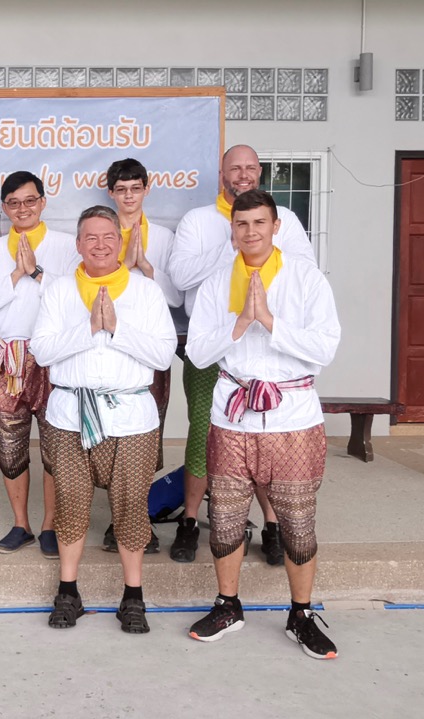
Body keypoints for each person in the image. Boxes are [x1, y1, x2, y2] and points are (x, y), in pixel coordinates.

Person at [185, 190, 340, 659]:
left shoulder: (306, 278)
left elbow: (325, 348)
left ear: (276, 227)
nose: (250, 232)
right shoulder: (217, 283)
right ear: (231, 231)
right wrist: (239, 324)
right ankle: (228, 605)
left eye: (259, 223)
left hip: (293, 419)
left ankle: (301, 614)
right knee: (226, 519)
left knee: (297, 522)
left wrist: (269, 321)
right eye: (242, 224)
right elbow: (197, 352)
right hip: (233, 416)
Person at [167, 144, 316, 565]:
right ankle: (190, 521)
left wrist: (256, 244)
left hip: (270, 346)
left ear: (260, 172)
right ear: (222, 174)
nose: (243, 174)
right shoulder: (198, 221)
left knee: (266, 438)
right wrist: (231, 245)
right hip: (214, 344)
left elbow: (302, 272)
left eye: (250, 168)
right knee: (204, 434)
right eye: (235, 168)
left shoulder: (284, 221)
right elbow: (180, 277)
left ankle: (271, 525)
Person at [31, 205, 177, 633]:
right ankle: (68, 592)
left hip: (131, 418)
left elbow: (163, 355)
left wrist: (116, 328)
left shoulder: (146, 292)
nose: (100, 245)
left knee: (131, 507)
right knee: (70, 502)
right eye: (90, 237)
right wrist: (89, 328)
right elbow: (42, 350)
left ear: (121, 242)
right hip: (70, 416)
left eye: (108, 236)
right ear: (78, 244)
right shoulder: (59, 291)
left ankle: (133, 596)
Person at [0, 170, 80, 557]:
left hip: (52, 359)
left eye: (30, 200)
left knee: (55, 445)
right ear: (4, 208)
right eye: (14, 203)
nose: (23, 209)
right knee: (11, 445)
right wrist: (17, 273)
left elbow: (75, 300)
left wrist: (36, 271)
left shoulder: (65, 245)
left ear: (43, 202)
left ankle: (51, 525)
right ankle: (21, 525)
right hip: (8, 362)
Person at [100, 158, 182, 554]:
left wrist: (145, 268)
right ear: (110, 192)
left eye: (136, 188)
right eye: (121, 189)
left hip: (149, 348)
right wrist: (121, 269)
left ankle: (138, 518)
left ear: (147, 189)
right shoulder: (102, 233)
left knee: (148, 433)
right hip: (109, 347)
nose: (129, 196)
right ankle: (117, 521)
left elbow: (177, 298)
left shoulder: (163, 237)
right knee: (110, 434)